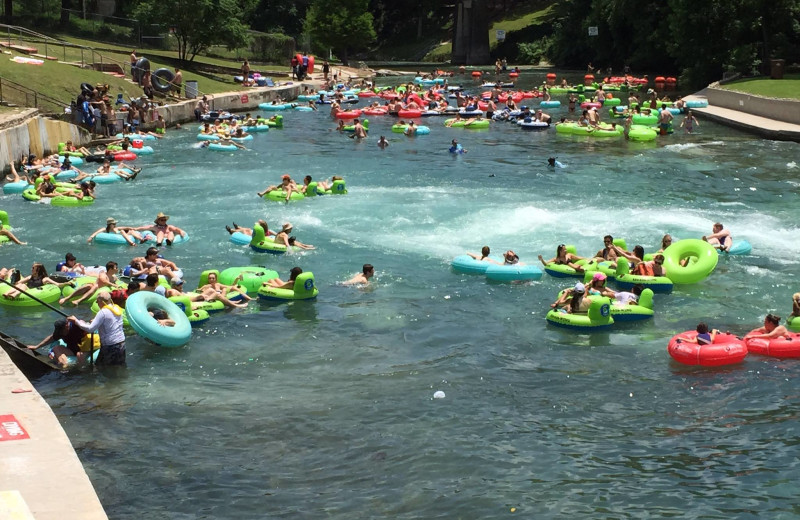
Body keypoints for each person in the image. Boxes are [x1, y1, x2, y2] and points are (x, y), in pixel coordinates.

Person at [68, 292, 126, 365]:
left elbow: (90, 329)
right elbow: (111, 321)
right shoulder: (116, 308)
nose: (97, 304)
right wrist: (98, 321)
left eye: (97, 302)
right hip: (121, 343)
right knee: (119, 365)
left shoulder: (103, 312)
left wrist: (75, 321)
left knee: (102, 367)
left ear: (101, 301)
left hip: (110, 345)